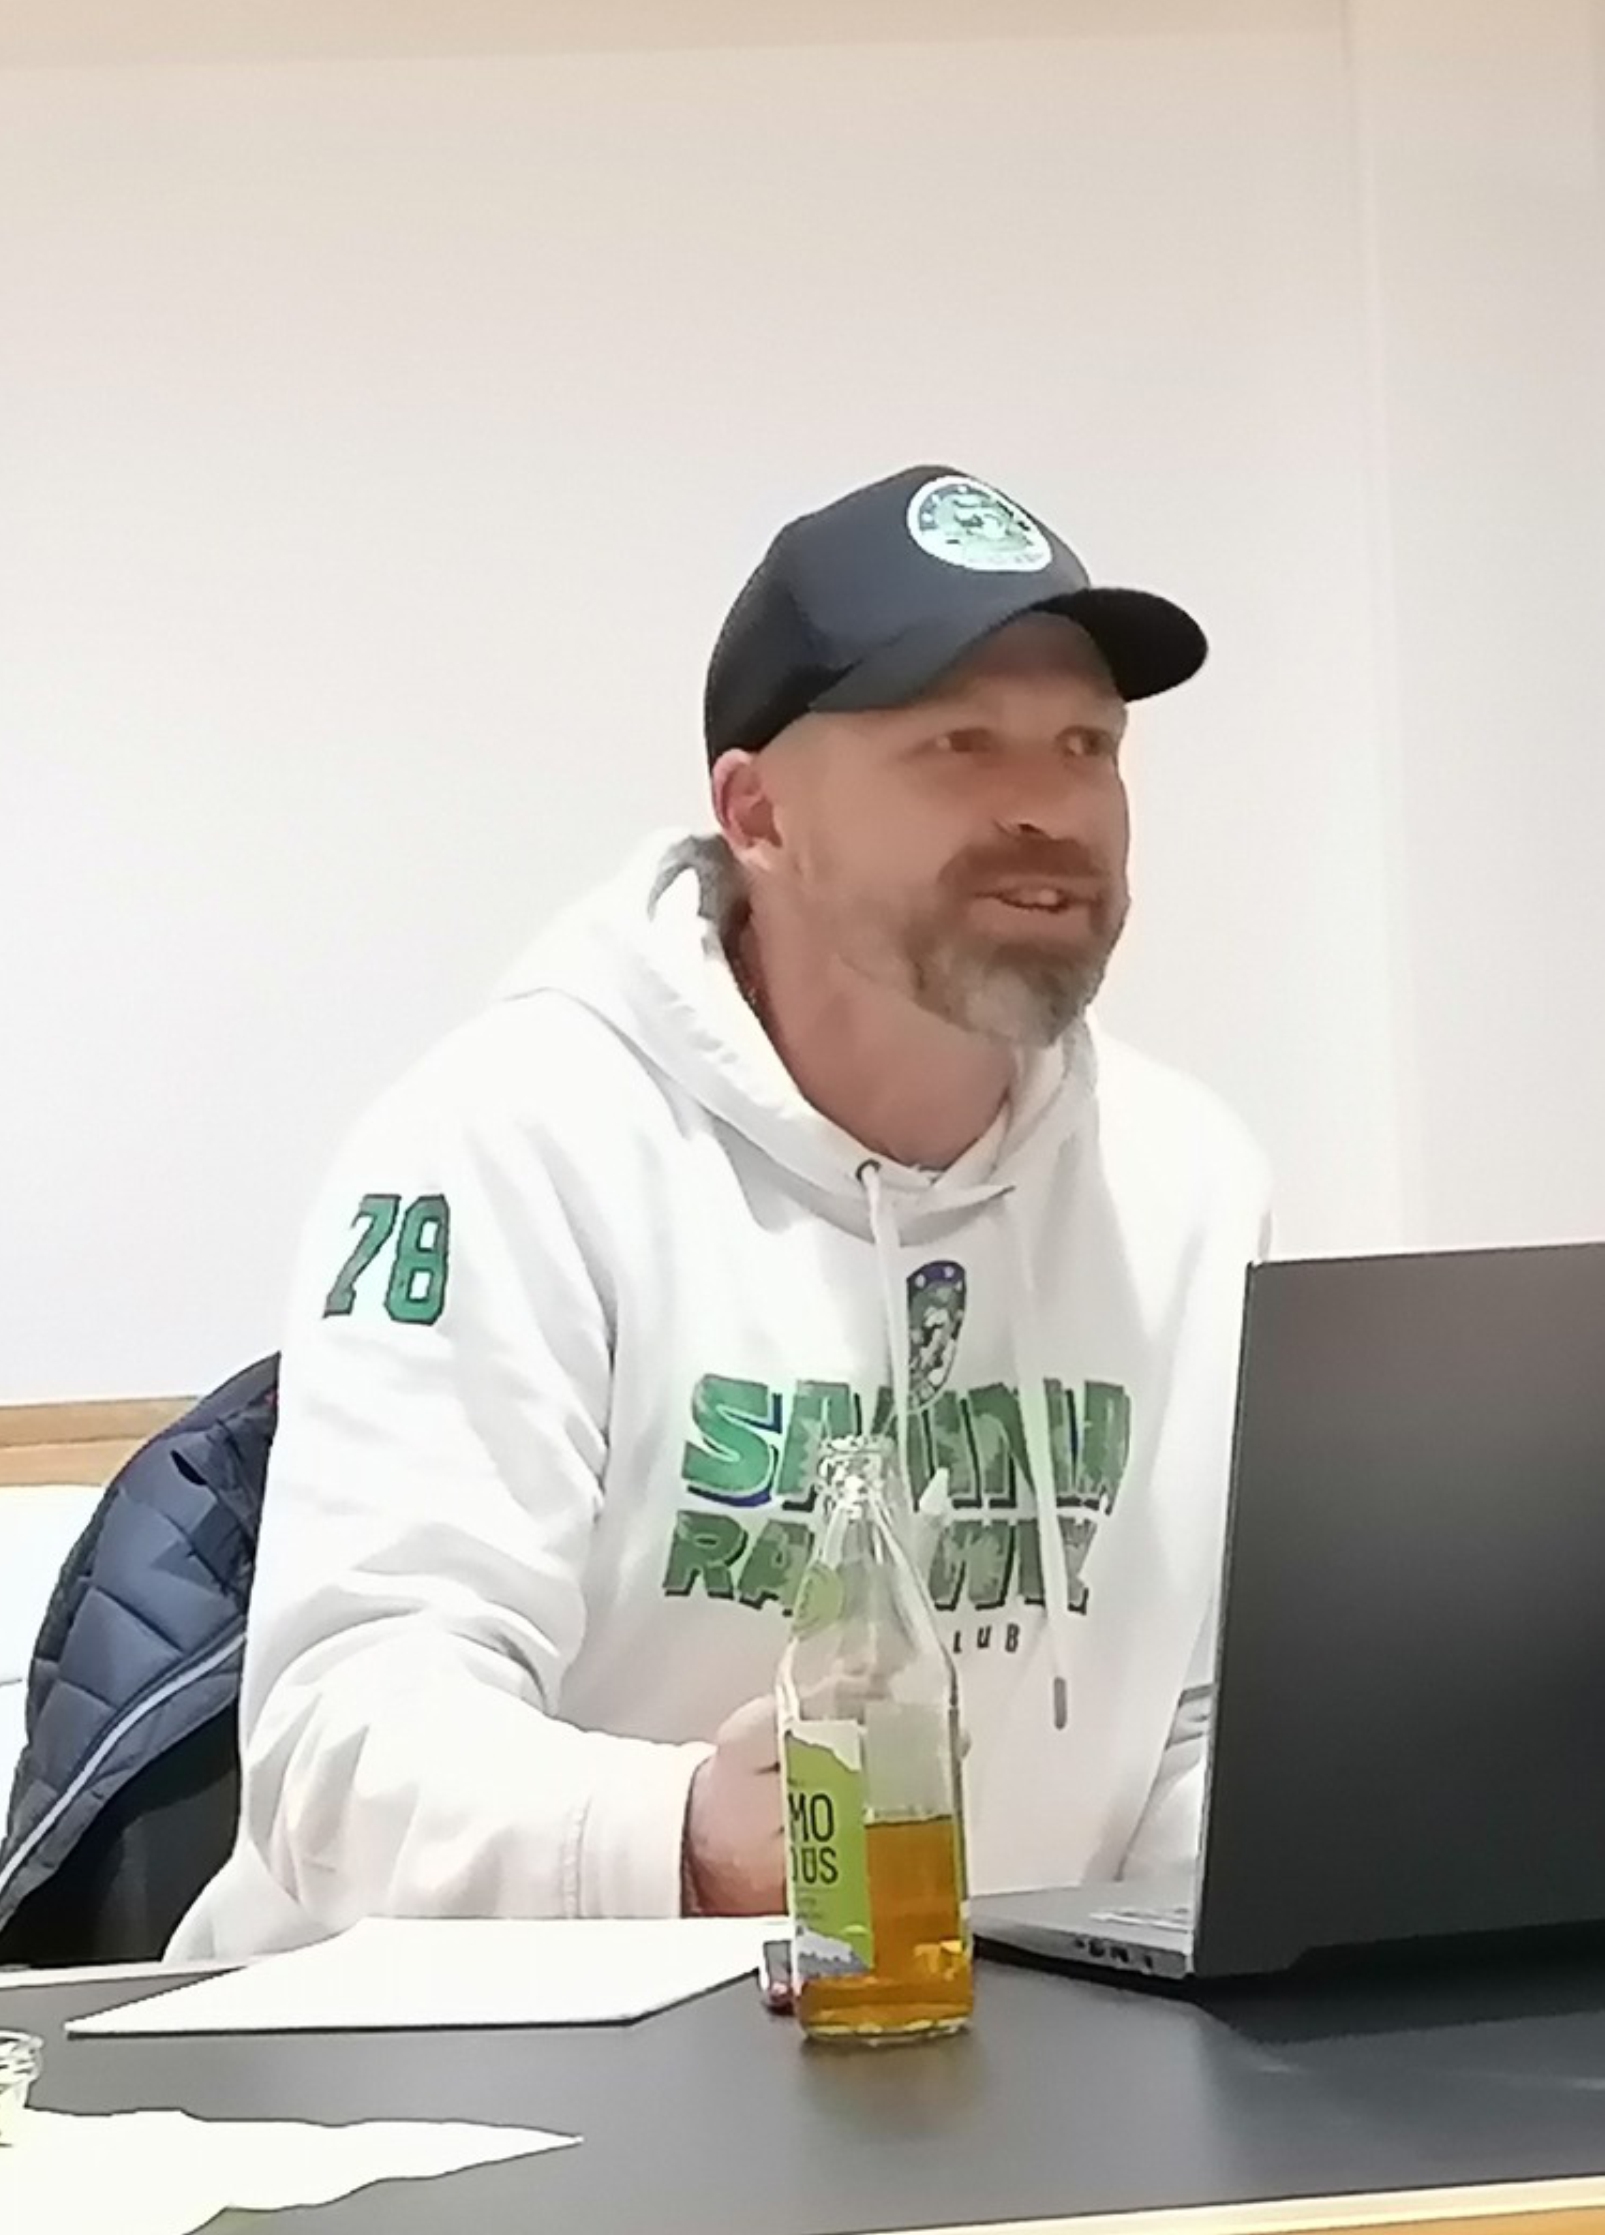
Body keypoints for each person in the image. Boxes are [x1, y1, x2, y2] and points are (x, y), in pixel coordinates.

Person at [172, 465, 1272, 1956]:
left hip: (975, 2037)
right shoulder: (508, 1143)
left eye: (1087, 744)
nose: (1046, 807)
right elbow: (342, 1741)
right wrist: (679, 1839)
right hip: (481, 2058)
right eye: (958, 743)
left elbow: (1200, 1728)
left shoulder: (1188, 1184)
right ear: (758, 814)